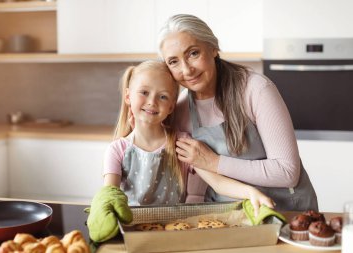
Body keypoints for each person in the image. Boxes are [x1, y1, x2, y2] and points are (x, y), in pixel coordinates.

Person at [87, 60, 274, 243]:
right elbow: (109, 196)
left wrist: (250, 192)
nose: (152, 102)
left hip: (174, 236)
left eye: (163, 96)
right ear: (128, 96)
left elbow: (216, 182)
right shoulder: (117, 150)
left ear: (171, 106)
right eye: (144, 92)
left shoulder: (182, 143)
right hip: (133, 235)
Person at [157, 14, 318, 211]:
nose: (187, 70)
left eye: (193, 53)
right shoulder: (181, 110)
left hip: (286, 212)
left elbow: (287, 171)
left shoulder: (256, 89)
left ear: (213, 48)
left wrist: (214, 162)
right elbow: (197, 187)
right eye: (173, 62)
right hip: (227, 217)